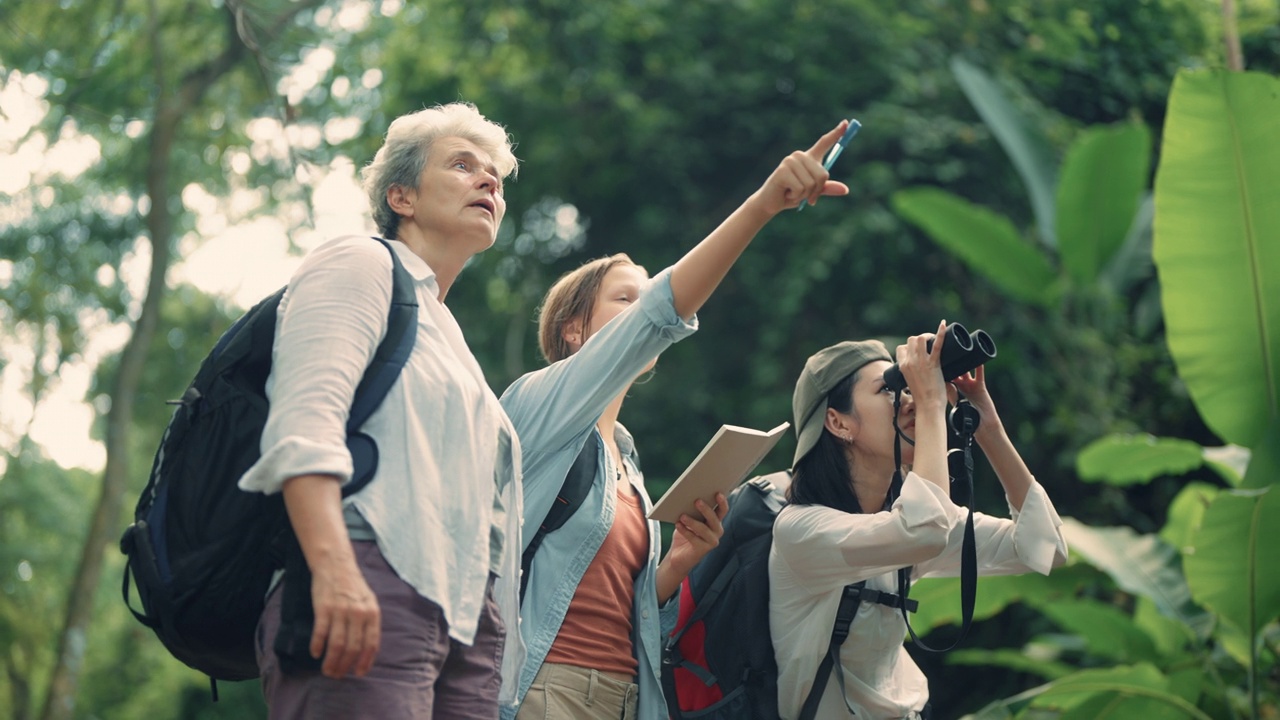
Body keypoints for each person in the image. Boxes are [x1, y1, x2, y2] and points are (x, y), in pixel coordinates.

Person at [499, 121, 856, 720]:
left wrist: (680, 560)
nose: (642, 310)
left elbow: (635, 615)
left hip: (625, 698)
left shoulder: (628, 461)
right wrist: (765, 204)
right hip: (544, 691)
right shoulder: (540, 403)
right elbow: (662, 313)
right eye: (625, 299)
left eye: (644, 296)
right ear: (574, 330)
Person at [238, 102, 523, 719]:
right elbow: (301, 425)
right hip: (370, 585)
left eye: (494, 175)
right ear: (402, 196)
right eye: (462, 164)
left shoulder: (449, 335)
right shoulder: (360, 263)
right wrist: (335, 572)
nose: (488, 181)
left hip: (466, 626)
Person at [770, 327, 1069, 720]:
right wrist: (930, 405)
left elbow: (1045, 548)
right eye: (889, 390)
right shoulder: (802, 531)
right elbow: (923, 532)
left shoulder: (903, 520)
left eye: (907, 388)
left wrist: (988, 427)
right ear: (838, 422)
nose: (908, 400)